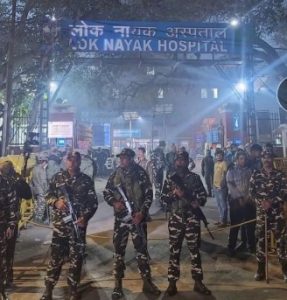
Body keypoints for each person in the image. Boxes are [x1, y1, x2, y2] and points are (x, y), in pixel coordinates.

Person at [103, 148, 160, 300]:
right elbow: (106, 192)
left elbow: (149, 194)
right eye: (120, 158)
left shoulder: (140, 172)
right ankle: (117, 285)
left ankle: (147, 282)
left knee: (141, 252)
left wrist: (142, 212)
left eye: (125, 158)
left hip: (137, 219)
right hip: (121, 220)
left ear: (131, 158)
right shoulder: (115, 174)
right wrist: (114, 202)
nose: (122, 160)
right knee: (118, 253)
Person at [40, 151, 98, 300]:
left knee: (76, 259)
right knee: (55, 258)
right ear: (66, 161)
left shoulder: (86, 180)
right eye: (69, 160)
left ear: (79, 162)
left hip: (78, 227)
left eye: (75, 160)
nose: (72, 163)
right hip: (60, 226)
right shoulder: (58, 177)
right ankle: (48, 289)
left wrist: (85, 217)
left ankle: (73, 289)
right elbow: (47, 194)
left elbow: (93, 203)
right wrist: (55, 202)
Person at [161, 150, 211, 296]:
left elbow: (203, 196)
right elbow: (163, 198)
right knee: (174, 251)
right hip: (176, 218)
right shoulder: (170, 179)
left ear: (187, 161)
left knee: (195, 251)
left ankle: (198, 282)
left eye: (183, 160)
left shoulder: (195, 178)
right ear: (175, 162)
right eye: (178, 160)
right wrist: (173, 194)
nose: (180, 163)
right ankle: (172, 283)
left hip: (191, 219)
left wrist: (195, 200)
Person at [250, 151, 287, 282]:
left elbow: (284, 192)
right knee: (261, 242)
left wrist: (271, 202)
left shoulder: (280, 175)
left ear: (272, 159)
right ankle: (260, 271)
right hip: (262, 215)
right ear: (261, 159)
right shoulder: (256, 174)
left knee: (281, 243)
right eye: (264, 158)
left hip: (277, 215)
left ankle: (285, 270)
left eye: (269, 158)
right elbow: (252, 192)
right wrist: (261, 202)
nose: (266, 160)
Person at [0, 161, 32, 288]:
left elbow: (27, 194)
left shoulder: (13, 182)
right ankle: (7, 277)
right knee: (8, 250)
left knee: (7, 250)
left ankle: (7, 277)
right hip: (9, 221)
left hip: (9, 220)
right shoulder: (13, 181)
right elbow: (28, 195)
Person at [226, 151, 255, 256]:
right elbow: (230, 185)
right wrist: (239, 198)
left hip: (248, 201)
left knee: (250, 225)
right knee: (235, 226)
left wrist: (248, 197)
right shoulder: (231, 171)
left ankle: (251, 246)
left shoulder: (249, 171)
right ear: (237, 159)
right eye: (241, 158)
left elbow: (252, 185)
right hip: (235, 202)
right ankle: (231, 247)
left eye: (244, 158)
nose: (243, 161)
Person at [0, 173, 17, 300]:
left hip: (1, 227)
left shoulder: (5, 183)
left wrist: (11, 225)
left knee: (2, 260)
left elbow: (12, 205)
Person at [30, 153, 50, 223]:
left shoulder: (35, 168)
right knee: (42, 205)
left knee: (38, 205)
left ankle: (37, 218)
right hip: (42, 190)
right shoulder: (42, 170)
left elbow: (31, 181)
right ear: (44, 161)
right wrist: (47, 191)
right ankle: (38, 220)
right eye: (46, 162)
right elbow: (43, 181)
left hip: (36, 190)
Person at [213, 149, 228, 226]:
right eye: (217, 155)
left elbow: (225, 175)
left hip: (221, 187)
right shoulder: (215, 164)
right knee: (218, 204)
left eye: (220, 155)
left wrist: (222, 185)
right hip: (215, 186)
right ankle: (221, 218)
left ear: (222, 156)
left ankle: (224, 221)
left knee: (223, 204)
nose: (218, 156)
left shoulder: (224, 163)